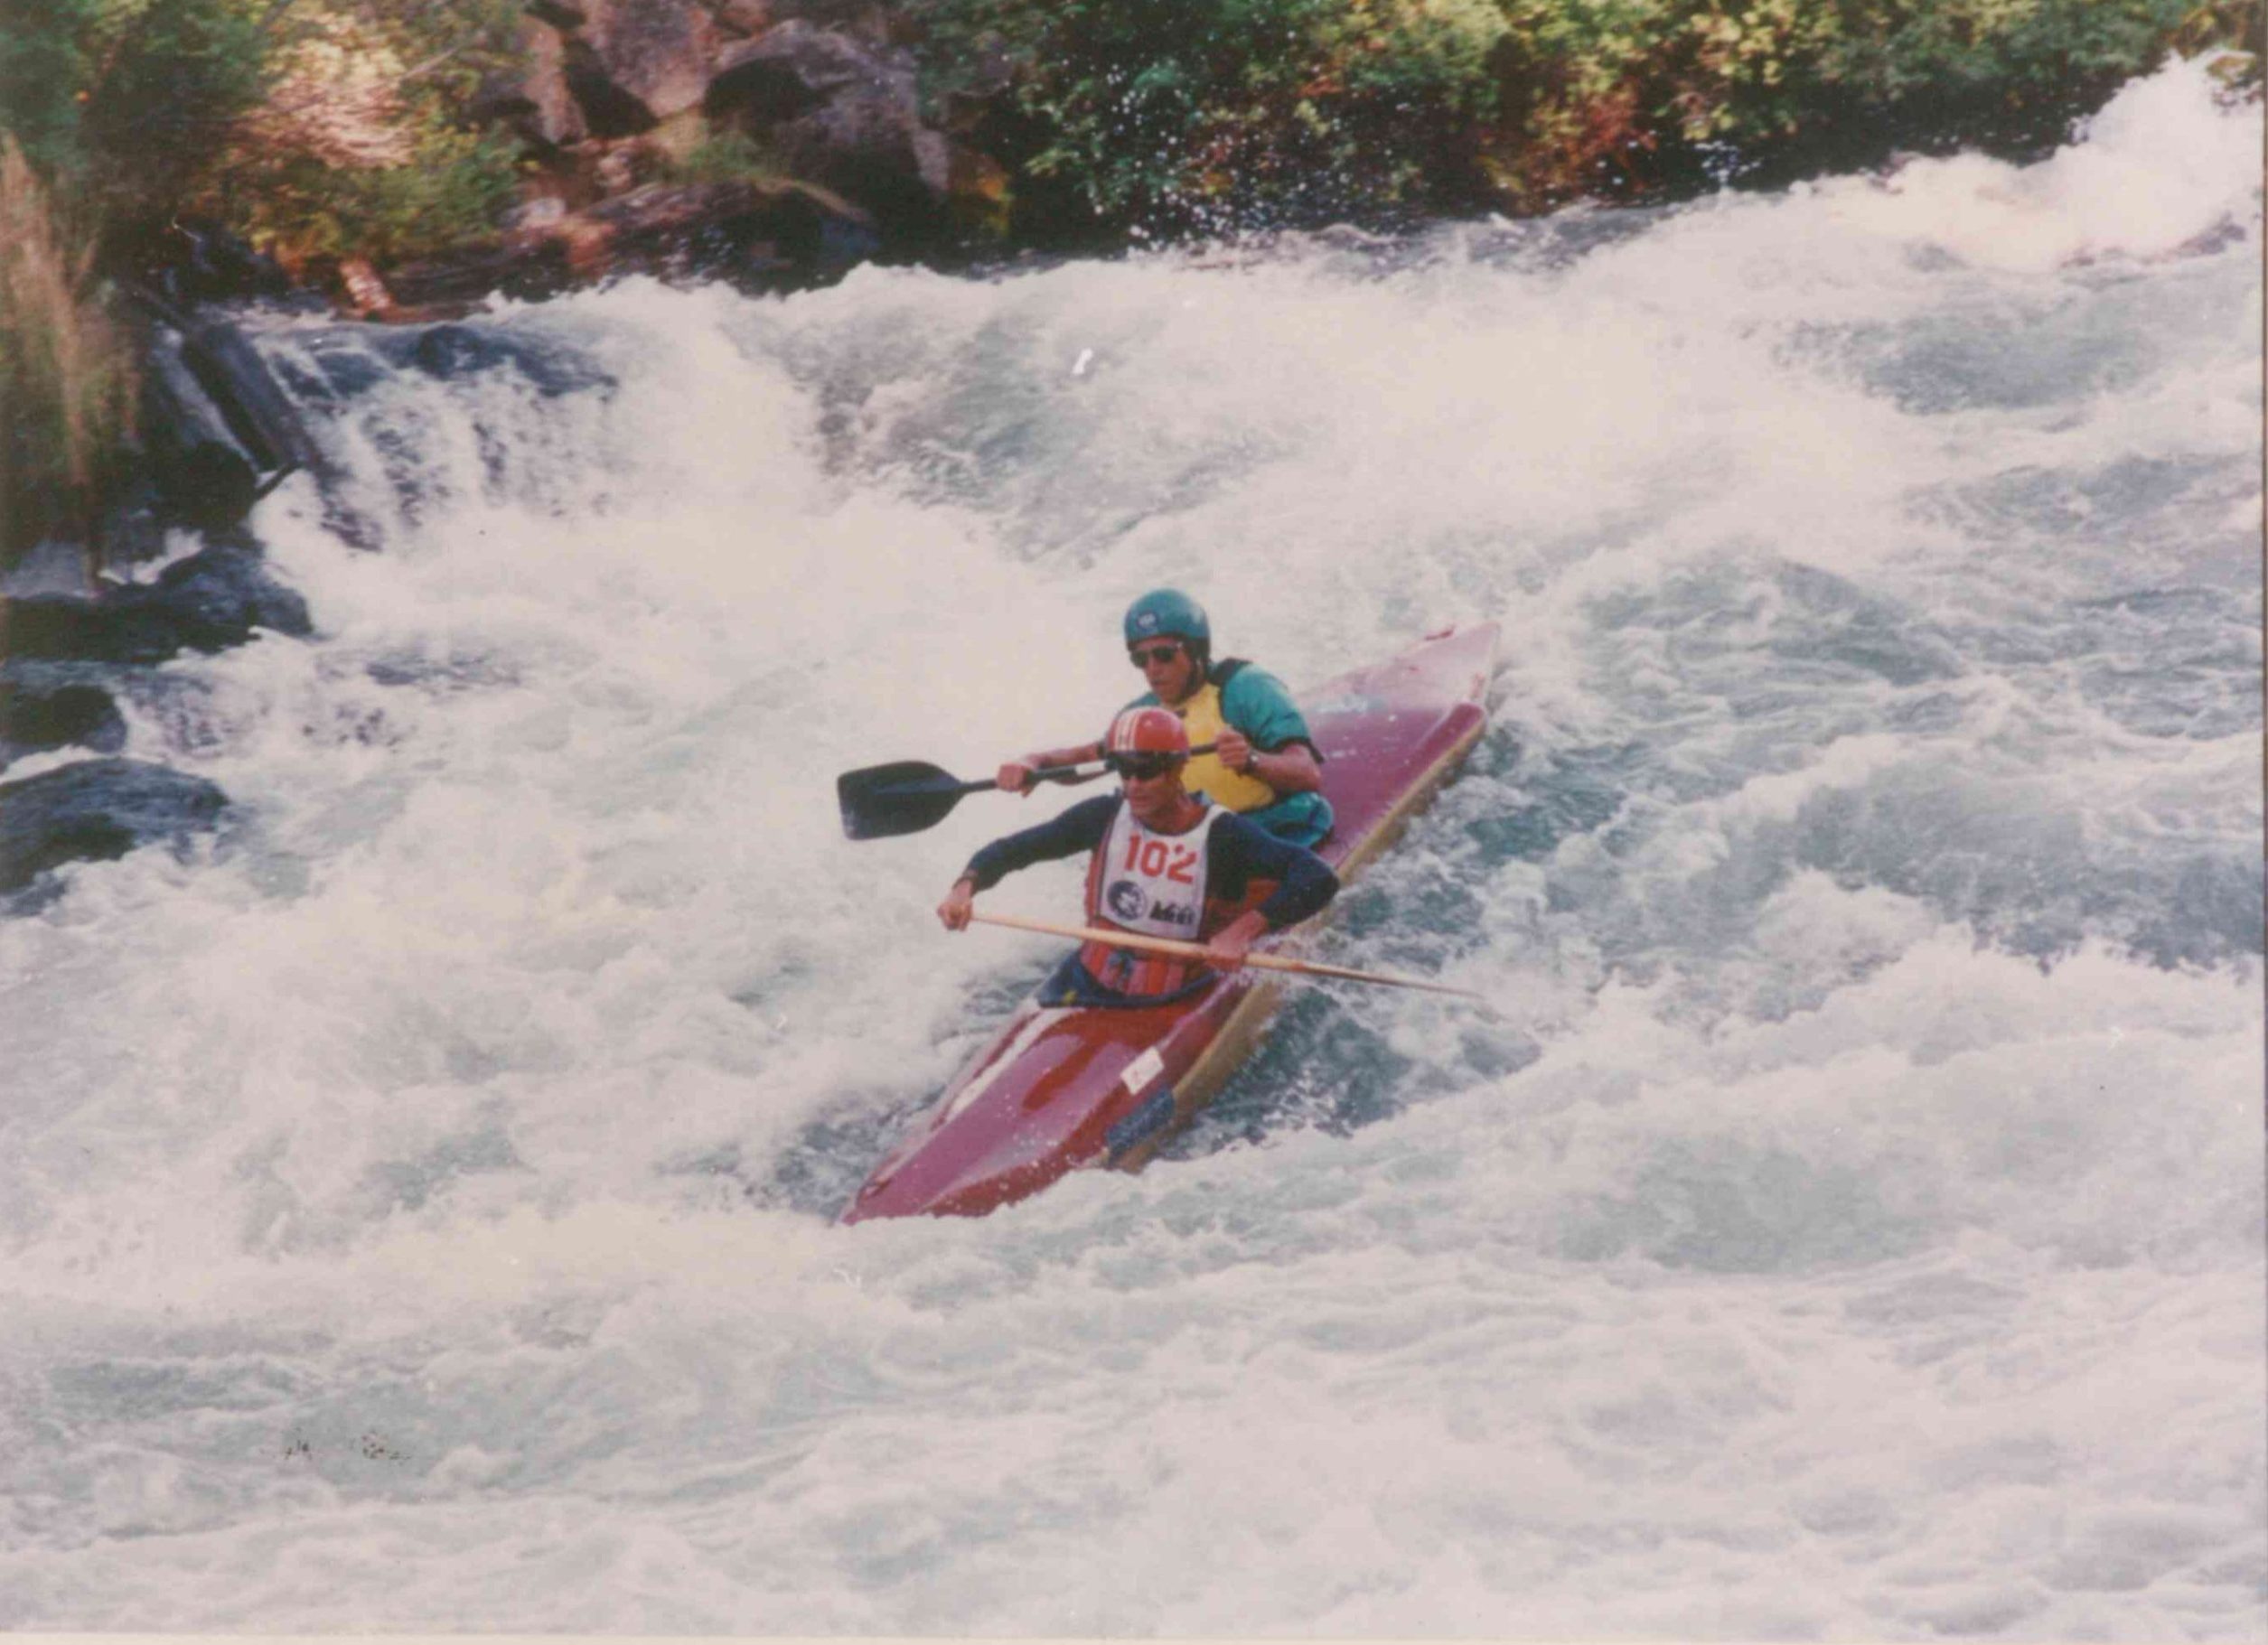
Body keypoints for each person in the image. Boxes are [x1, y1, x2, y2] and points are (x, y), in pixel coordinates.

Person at [940, 706, 1338, 1007]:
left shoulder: (1222, 833)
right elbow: (1010, 851)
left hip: (1174, 996)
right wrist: (964, 887)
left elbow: (1317, 876)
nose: (1133, 785)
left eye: (1146, 771)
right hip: (1087, 978)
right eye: (1125, 770)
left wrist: (1244, 930)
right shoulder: (1101, 815)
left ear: (1178, 768)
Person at [997, 589, 1335, 847]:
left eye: (1164, 654)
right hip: (1200, 843)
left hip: (1277, 830)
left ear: (1196, 650)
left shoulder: (1247, 687)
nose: (1153, 669)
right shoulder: (1141, 714)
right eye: (1140, 659)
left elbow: (1307, 773)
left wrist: (1252, 761)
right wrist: (1034, 764)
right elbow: (1089, 759)